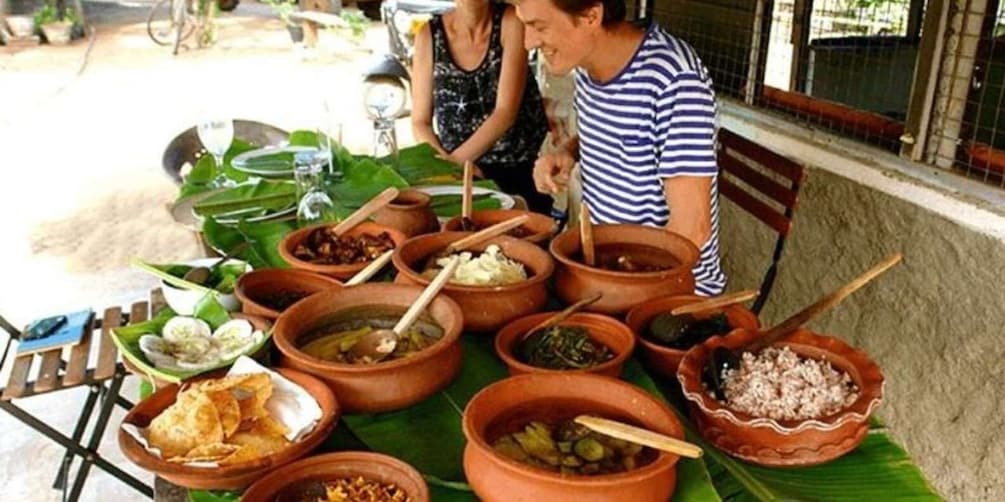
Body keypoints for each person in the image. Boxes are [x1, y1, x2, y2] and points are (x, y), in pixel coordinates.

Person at [514, 0, 727, 295]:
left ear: (591, 15)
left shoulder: (674, 79)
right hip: (604, 267)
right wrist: (568, 151)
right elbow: (615, 131)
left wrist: (617, 285)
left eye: (539, 26)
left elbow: (692, 228)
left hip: (668, 291)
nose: (528, 43)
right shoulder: (588, 61)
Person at [411, 0, 553, 213]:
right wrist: (448, 166)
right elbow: (419, 122)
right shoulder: (429, 35)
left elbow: (505, 112)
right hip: (454, 168)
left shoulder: (511, 21)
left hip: (515, 166)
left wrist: (458, 163)